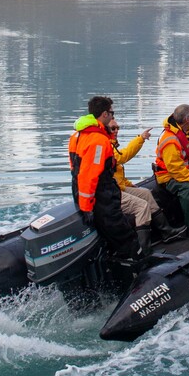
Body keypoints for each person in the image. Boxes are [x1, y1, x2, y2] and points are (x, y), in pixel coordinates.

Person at [69, 96, 144, 258]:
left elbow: (75, 168)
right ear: (104, 114)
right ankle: (137, 261)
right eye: (112, 113)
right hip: (101, 195)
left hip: (80, 192)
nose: (112, 116)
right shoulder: (98, 141)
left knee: (108, 233)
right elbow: (90, 175)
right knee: (122, 233)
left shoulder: (76, 136)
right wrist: (88, 207)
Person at [107, 119, 165, 232]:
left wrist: (129, 184)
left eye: (117, 128)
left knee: (146, 193)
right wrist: (141, 138)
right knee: (142, 206)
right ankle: (144, 247)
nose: (116, 131)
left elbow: (116, 172)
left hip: (119, 187)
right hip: (112, 192)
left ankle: (165, 231)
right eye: (113, 128)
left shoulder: (112, 145)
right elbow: (122, 157)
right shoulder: (106, 146)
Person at [155, 104, 189, 232]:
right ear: (187, 119)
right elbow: (174, 168)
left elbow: (188, 134)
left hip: (186, 171)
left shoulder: (183, 130)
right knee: (188, 190)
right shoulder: (170, 140)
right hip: (169, 176)